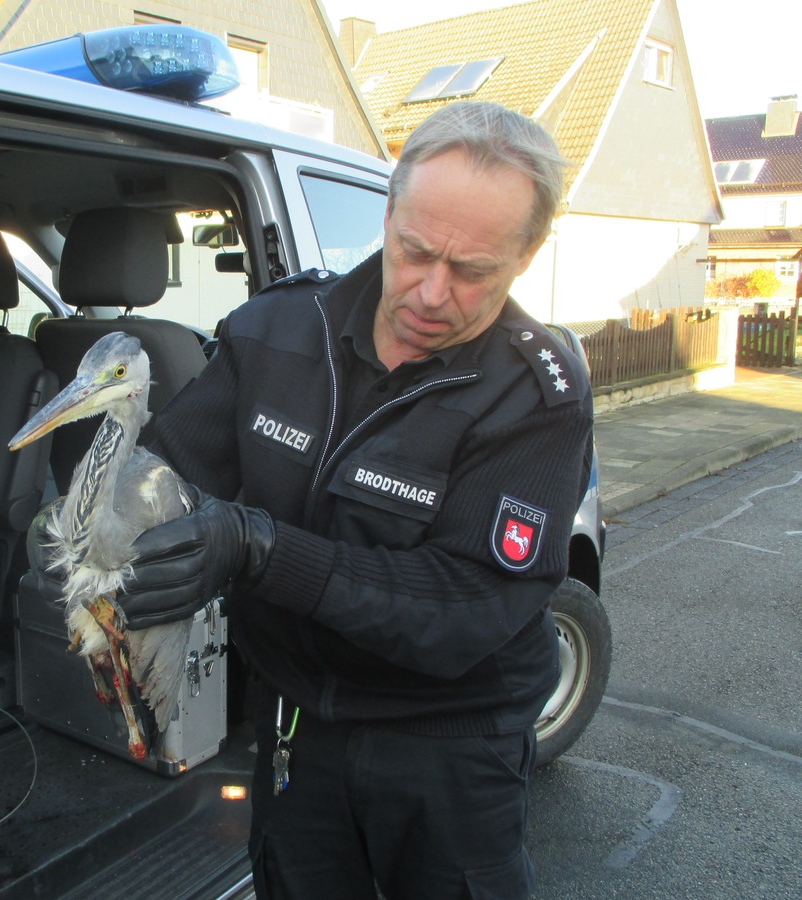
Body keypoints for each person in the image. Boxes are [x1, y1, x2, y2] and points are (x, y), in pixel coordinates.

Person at [122, 101, 591, 898]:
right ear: (389, 213)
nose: (432, 293)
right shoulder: (274, 330)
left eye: (473, 271)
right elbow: (164, 477)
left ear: (528, 254)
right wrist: (102, 524)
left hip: (447, 746)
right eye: (414, 252)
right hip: (296, 723)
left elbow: (461, 611)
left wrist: (261, 548)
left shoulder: (535, 397)